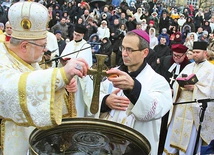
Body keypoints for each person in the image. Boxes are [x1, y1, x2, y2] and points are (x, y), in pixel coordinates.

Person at [0, 2, 89, 155]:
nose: (45, 50)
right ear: (24, 46)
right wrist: (60, 76)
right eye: (42, 45)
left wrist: (63, 85)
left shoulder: (28, 59)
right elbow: (12, 87)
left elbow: (35, 78)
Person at [96, 29, 173, 155]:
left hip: (136, 149)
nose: (124, 54)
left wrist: (134, 88)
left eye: (130, 50)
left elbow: (156, 110)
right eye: (123, 48)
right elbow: (95, 97)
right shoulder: (113, 73)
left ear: (145, 52)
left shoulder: (158, 81)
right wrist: (105, 101)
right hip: (106, 145)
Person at [164, 41, 214, 155]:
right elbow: (177, 83)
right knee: (172, 137)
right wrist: (179, 85)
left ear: (205, 53)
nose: (195, 54)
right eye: (193, 52)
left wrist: (195, 88)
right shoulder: (188, 66)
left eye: (197, 52)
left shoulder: (211, 69)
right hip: (180, 108)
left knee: (189, 141)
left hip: (194, 112)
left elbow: (211, 91)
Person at [155, 44, 190, 154]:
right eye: (174, 55)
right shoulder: (165, 61)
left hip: (176, 101)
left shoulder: (188, 66)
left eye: (179, 56)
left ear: (185, 55)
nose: (176, 58)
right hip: (161, 97)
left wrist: (175, 90)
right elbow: (157, 76)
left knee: (168, 125)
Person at [60, 24, 93, 117]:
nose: (75, 36)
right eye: (74, 34)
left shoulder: (86, 46)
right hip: (67, 78)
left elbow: (84, 64)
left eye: (78, 35)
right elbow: (62, 59)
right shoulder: (69, 44)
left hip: (78, 80)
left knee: (77, 102)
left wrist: (72, 62)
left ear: (82, 35)